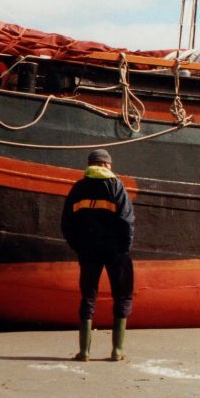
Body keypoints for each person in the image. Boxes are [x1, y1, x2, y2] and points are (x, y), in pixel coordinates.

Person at [61, 149, 135, 362]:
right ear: (107, 165)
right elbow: (126, 220)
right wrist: (124, 248)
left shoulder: (78, 188)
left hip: (88, 250)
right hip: (116, 251)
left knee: (88, 296)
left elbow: (67, 223)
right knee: (122, 295)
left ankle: (84, 352)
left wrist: (79, 246)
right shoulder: (116, 186)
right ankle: (117, 351)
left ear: (90, 164)